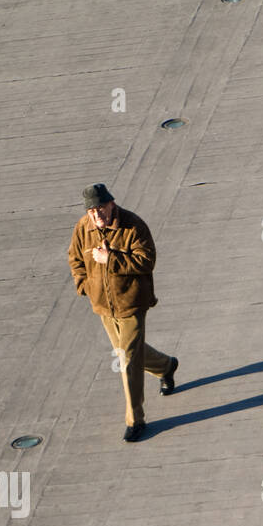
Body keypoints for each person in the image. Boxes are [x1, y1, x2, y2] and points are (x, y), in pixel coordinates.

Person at [68, 184, 178, 441]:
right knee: (129, 351)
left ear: (111, 204)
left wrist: (112, 259)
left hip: (131, 304)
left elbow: (147, 260)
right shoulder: (83, 227)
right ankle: (166, 366)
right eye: (92, 211)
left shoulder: (133, 226)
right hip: (103, 305)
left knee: (127, 360)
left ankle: (135, 420)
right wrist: (84, 285)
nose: (97, 216)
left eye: (101, 209)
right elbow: (74, 257)